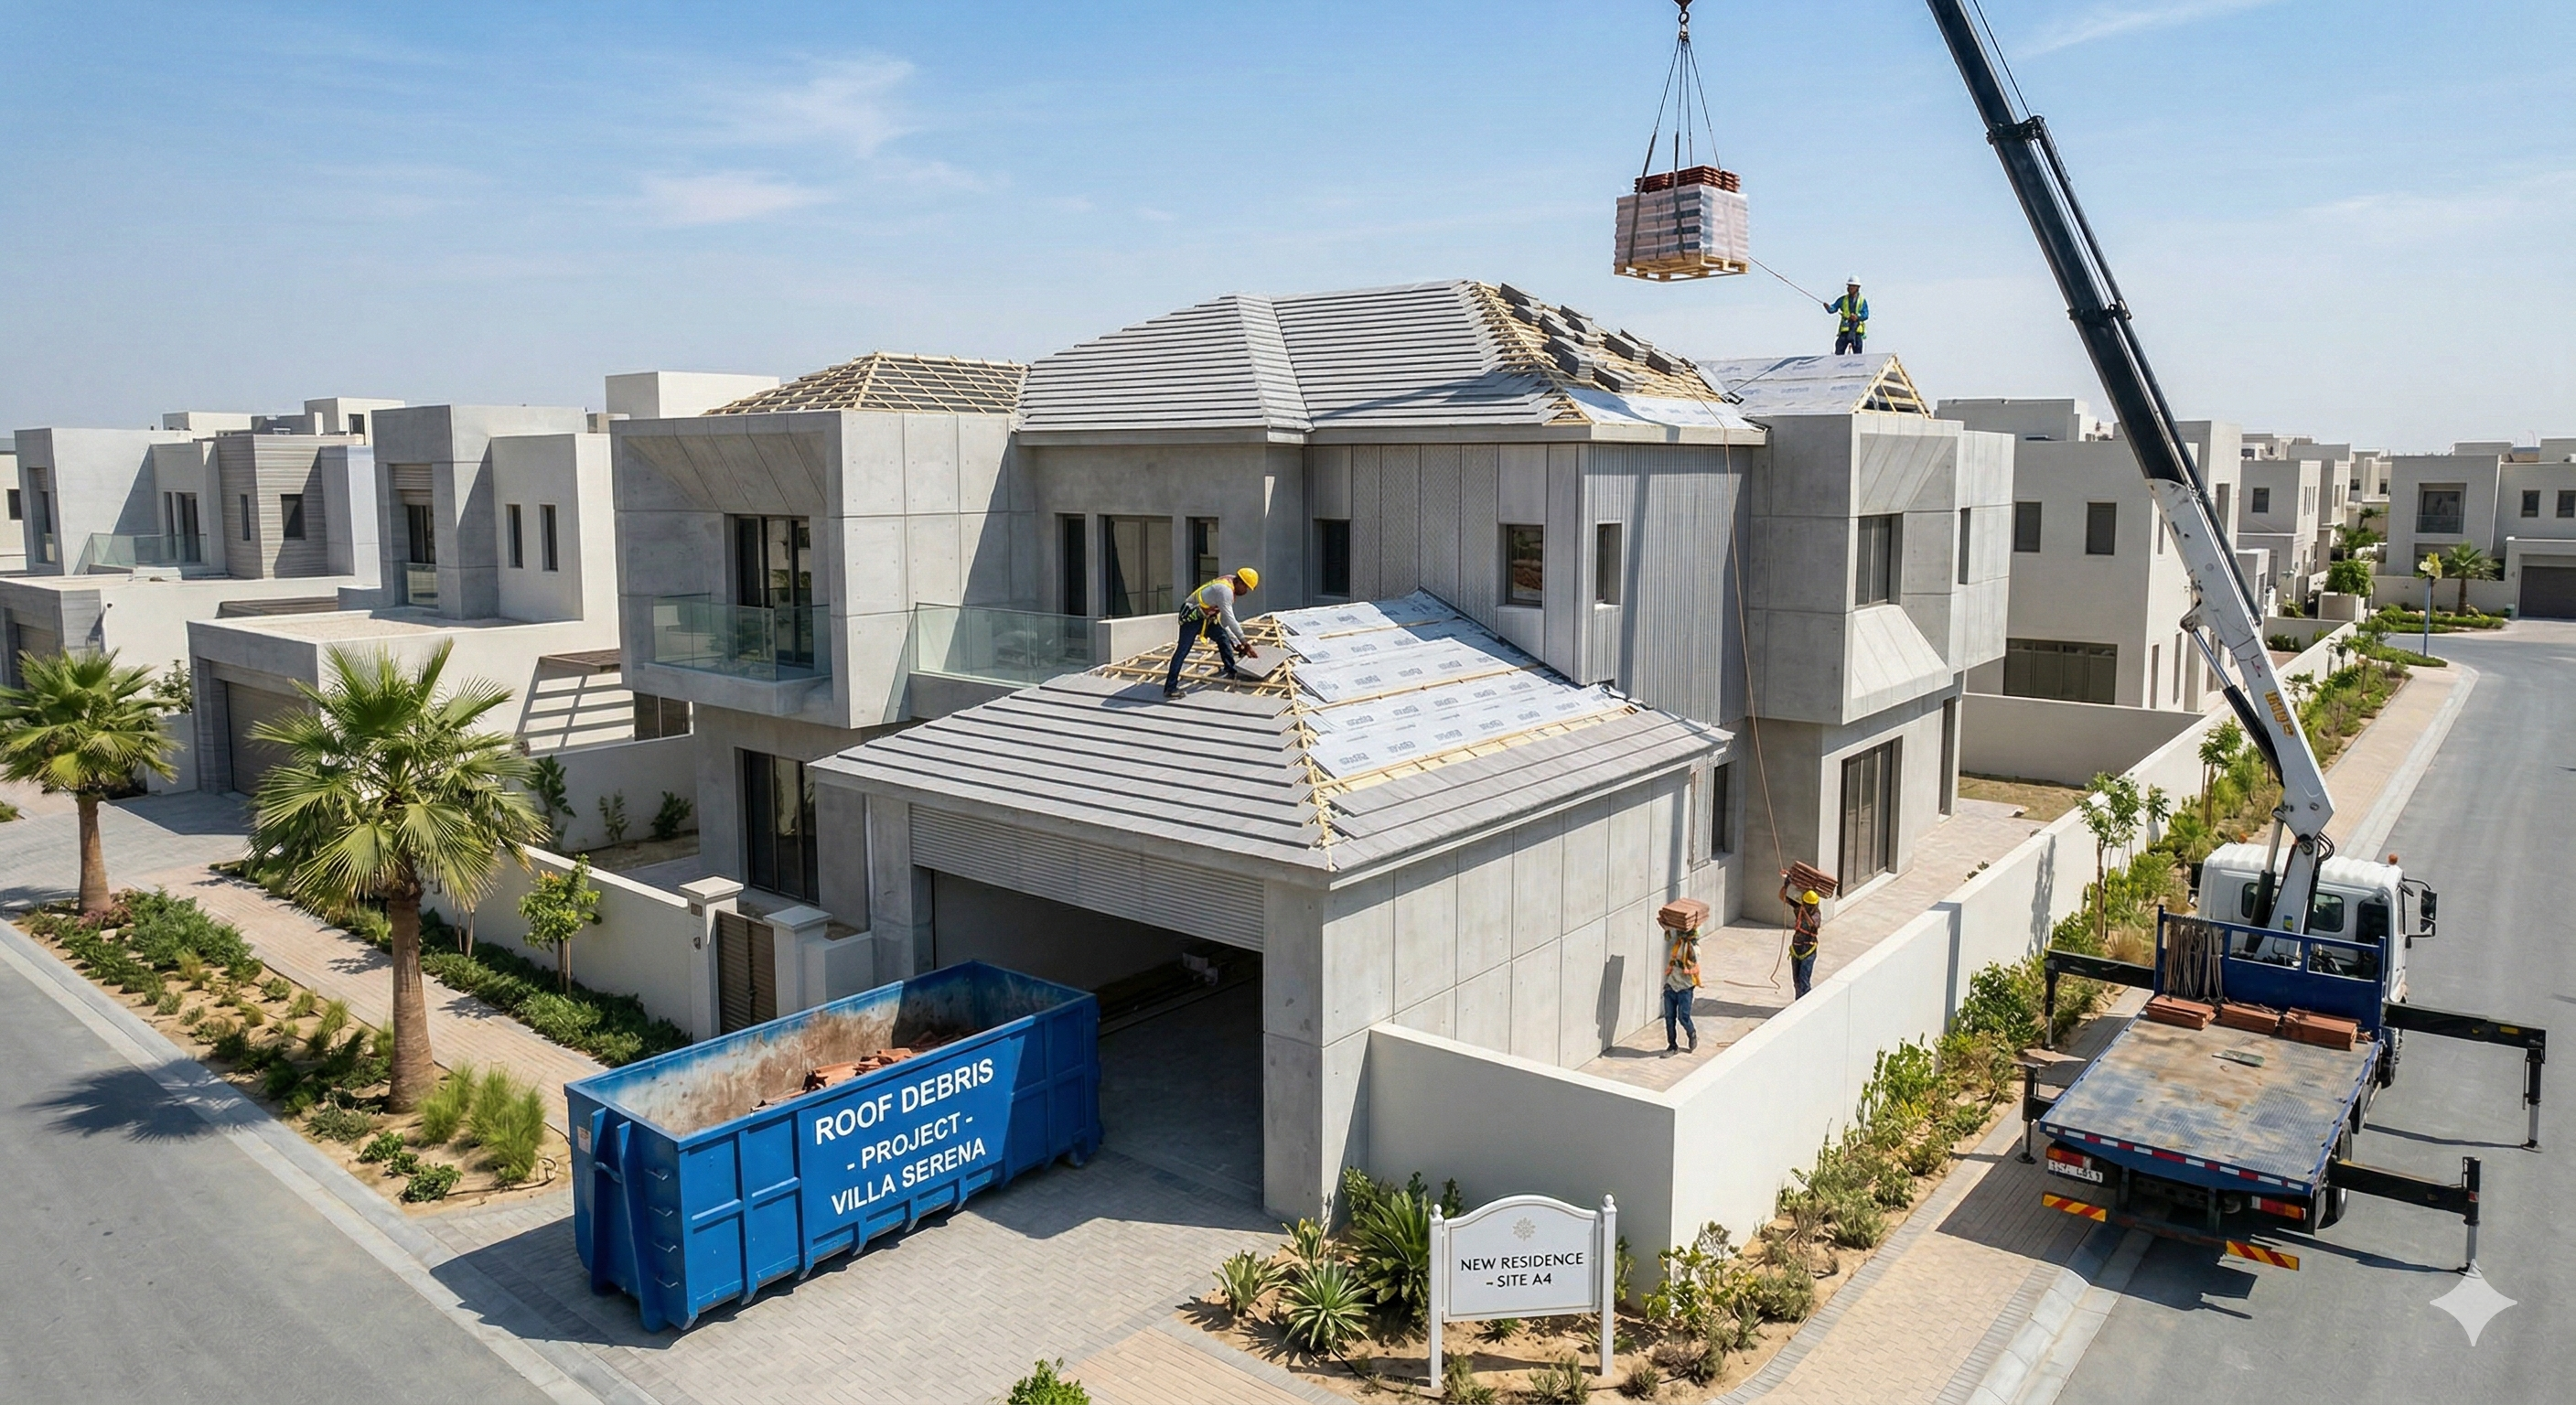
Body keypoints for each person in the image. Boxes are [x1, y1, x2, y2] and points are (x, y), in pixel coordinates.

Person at [1162, 566, 1260, 700]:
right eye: (1246, 587)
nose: (1246, 591)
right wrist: (1245, 643)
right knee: (1182, 651)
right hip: (1191, 617)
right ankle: (1170, 688)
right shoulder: (1225, 591)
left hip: (1206, 618)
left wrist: (1236, 642)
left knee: (1223, 638)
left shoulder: (1230, 583)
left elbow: (1224, 623)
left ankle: (1230, 670)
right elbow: (1230, 619)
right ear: (1240, 582)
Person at [1662, 923, 1701, 1053]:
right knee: (1669, 1018)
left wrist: (1688, 942)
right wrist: (1667, 925)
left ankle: (1692, 1033)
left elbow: (1691, 961)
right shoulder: (1676, 943)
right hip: (1671, 985)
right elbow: (1668, 934)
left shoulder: (1694, 949)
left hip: (1685, 987)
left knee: (1683, 1017)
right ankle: (1672, 1046)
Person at [1784, 880, 1824, 998]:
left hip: (1808, 950)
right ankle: (1798, 1001)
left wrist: (1804, 911)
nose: (1809, 907)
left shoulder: (1816, 913)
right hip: (1796, 948)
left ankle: (1805, 1003)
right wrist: (1786, 885)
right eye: (1807, 904)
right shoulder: (1799, 909)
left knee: (1804, 980)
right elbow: (1783, 897)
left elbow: (1813, 924)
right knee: (1796, 980)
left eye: (1810, 905)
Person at [1825, 279, 1868, 355]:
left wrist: (1857, 317)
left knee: (1858, 354)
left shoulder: (1862, 300)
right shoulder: (1843, 300)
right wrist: (1828, 308)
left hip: (1856, 331)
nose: (1850, 288)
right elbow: (1833, 308)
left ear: (1857, 288)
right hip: (1845, 329)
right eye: (1849, 286)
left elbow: (1866, 315)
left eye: (1852, 286)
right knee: (1839, 350)